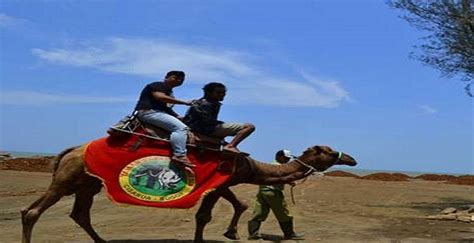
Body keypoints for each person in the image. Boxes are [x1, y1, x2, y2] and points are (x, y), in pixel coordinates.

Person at [134, 70, 194, 167]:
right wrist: (185, 103)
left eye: (181, 79)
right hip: (148, 112)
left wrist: (178, 116)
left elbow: (164, 107)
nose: (178, 80)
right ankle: (179, 155)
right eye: (175, 77)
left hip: (155, 112)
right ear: (166, 77)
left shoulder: (168, 92)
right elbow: (160, 97)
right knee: (180, 128)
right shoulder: (158, 85)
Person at [247, 149, 305, 240]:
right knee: (283, 213)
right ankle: (289, 234)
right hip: (273, 192)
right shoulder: (279, 167)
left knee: (259, 212)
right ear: (279, 157)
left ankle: (253, 233)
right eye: (286, 158)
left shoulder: (271, 165)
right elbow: (281, 177)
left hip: (263, 190)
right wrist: (290, 181)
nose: (287, 160)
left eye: (288, 158)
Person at [183, 82, 255, 153]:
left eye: (223, 92)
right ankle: (231, 146)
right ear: (209, 93)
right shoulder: (205, 104)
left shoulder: (208, 102)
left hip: (204, 128)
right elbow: (207, 121)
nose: (222, 94)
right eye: (219, 92)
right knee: (249, 127)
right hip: (205, 129)